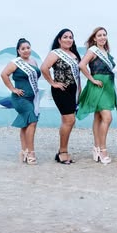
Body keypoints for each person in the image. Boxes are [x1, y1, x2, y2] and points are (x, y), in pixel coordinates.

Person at [77, 27, 117, 164]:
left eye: (104, 35)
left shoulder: (106, 52)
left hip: (107, 87)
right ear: (94, 38)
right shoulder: (92, 50)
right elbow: (82, 65)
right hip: (98, 86)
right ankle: (103, 149)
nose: (102, 37)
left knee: (98, 117)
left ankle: (96, 147)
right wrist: (92, 79)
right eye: (99, 35)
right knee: (107, 117)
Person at [40, 28, 81, 165]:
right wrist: (52, 83)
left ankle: (61, 151)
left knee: (68, 120)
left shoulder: (74, 54)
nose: (68, 39)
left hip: (73, 90)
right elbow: (44, 68)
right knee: (69, 120)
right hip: (61, 90)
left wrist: (79, 90)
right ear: (59, 40)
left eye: (71, 37)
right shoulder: (55, 53)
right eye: (65, 37)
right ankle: (63, 152)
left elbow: (77, 75)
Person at [0, 38, 41, 165]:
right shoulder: (15, 63)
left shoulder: (33, 61)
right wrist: (13, 89)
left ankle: (24, 151)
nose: (26, 50)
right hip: (20, 98)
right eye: (23, 49)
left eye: (28, 48)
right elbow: (4, 74)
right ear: (18, 51)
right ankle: (31, 152)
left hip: (32, 98)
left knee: (25, 124)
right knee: (32, 121)